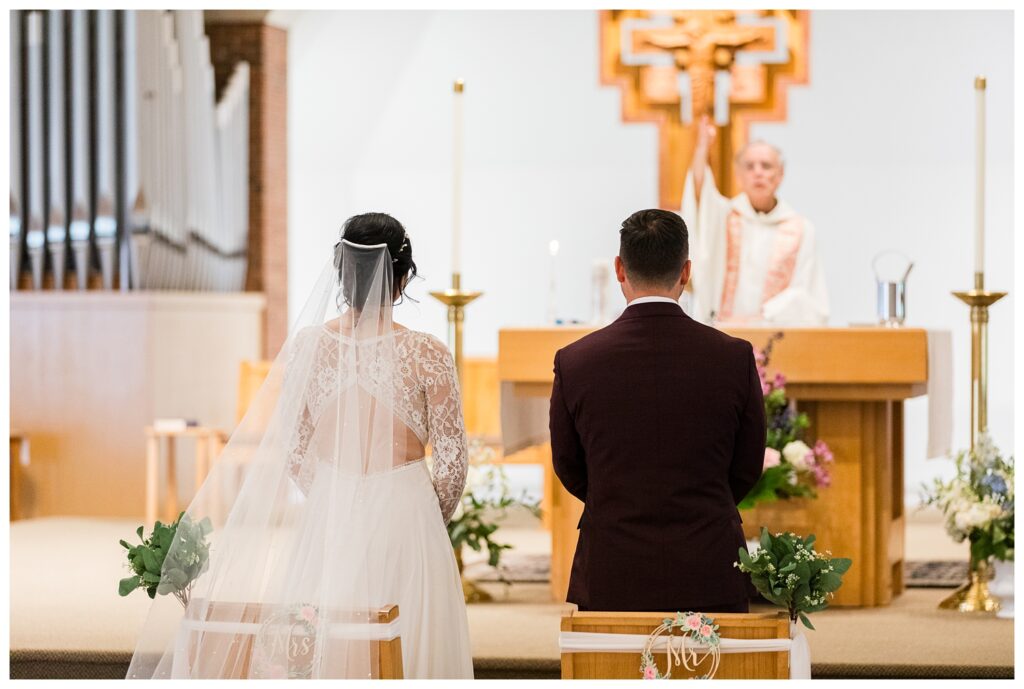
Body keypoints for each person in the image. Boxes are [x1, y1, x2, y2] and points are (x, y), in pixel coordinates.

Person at [126, 213, 473, 679]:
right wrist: (422, 515)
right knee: (412, 649)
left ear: (342, 272)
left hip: (330, 515)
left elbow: (294, 449)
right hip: (405, 515)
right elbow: (452, 465)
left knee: (325, 645)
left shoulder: (310, 345)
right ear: (402, 276)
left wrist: (333, 491)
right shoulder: (428, 353)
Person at [549, 209, 766, 613]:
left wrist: (616, 500)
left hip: (614, 559)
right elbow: (747, 464)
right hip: (709, 558)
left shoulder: (576, 360)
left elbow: (568, 465)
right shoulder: (732, 357)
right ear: (686, 271)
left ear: (619, 269)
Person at [681, 114, 829, 325]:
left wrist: (763, 318)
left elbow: (806, 293)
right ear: (738, 175)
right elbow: (699, 194)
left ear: (780, 174)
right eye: (750, 166)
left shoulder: (800, 228)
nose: (758, 173)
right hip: (723, 332)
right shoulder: (724, 216)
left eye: (766, 166)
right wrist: (702, 148)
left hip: (776, 338)